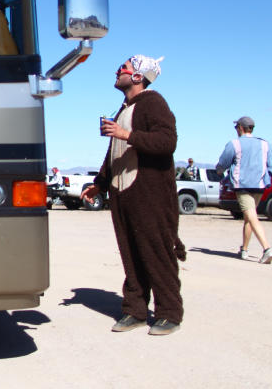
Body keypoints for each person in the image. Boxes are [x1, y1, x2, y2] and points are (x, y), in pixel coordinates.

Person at [81, 55, 183, 336]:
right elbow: (114, 152)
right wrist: (99, 184)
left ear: (138, 77)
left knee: (156, 252)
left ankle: (169, 313)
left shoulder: (153, 103)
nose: (118, 70)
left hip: (149, 194)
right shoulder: (125, 107)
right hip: (123, 193)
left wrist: (127, 134)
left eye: (124, 68)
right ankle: (135, 310)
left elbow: (167, 142)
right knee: (131, 253)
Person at [215, 116, 272, 264]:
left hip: (243, 186)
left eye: (236, 127)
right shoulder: (264, 144)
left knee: (252, 217)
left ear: (240, 127)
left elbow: (223, 163)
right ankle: (244, 250)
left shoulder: (234, 144)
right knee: (249, 218)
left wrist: (219, 171)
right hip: (259, 186)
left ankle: (267, 249)